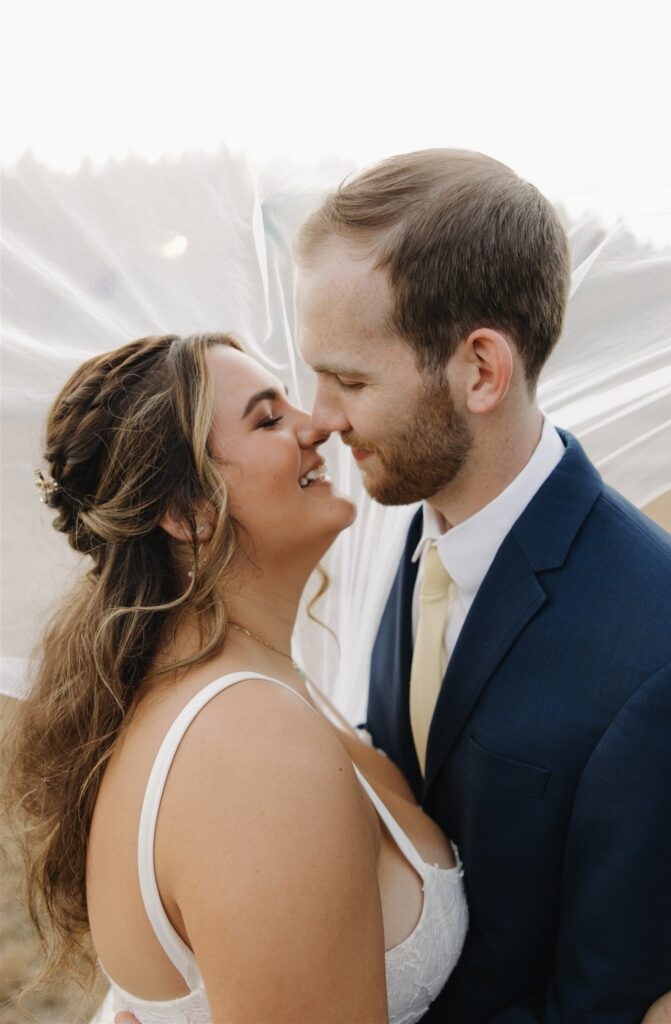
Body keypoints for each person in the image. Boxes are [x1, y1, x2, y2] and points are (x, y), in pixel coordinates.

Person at [292, 149, 671, 1023]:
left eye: (350, 380)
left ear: (479, 371)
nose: (318, 417)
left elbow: (599, 1008)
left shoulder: (663, 651)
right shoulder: (410, 528)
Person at [5, 332, 467, 1024]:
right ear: (186, 512)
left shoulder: (246, 689)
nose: (318, 425)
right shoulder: (247, 746)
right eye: (269, 418)